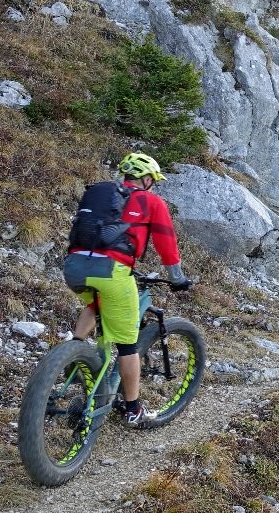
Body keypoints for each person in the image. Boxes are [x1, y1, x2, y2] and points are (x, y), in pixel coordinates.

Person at [62, 152, 191, 428]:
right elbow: (166, 242)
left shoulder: (102, 195)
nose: (152, 185)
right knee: (127, 345)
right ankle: (133, 410)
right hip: (112, 271)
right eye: (152, 180)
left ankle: (71, 355)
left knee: (95, 304)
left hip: (73, 267)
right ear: (146, 179)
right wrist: (178, 278)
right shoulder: (151, 200)